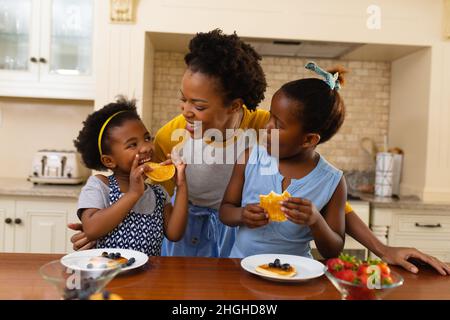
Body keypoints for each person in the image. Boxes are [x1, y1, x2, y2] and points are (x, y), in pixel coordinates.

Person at [68, 29, 449, 274]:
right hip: (183, 235)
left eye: (199, 106)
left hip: (234, 238)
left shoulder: (264, 129)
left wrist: (382, 249)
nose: (185, 113)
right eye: (183, 100)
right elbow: (136, 182)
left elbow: (331, 197)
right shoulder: (173, 134)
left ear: (235, 106)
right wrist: (99, 228)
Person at [220, 62, 347, 259]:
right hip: (240, 270)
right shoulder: (249, 158)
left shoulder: (333, 181)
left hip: (296, 275)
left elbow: (333, 250)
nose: (267, 126)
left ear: (309, 139)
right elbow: (225, 211)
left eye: (278, 124)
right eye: (270, 117)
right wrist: (242, 215)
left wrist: (316, 221)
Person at [73, 97, 188, 256]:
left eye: (147, 138)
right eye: (132, 144)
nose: (146, 147)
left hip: (149, 278)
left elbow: (175, 234)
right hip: (108, 276)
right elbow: (92, 229)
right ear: (109, 161)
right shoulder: (100, 185)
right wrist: (134, 193)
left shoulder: (158, 193)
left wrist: (181, 185)